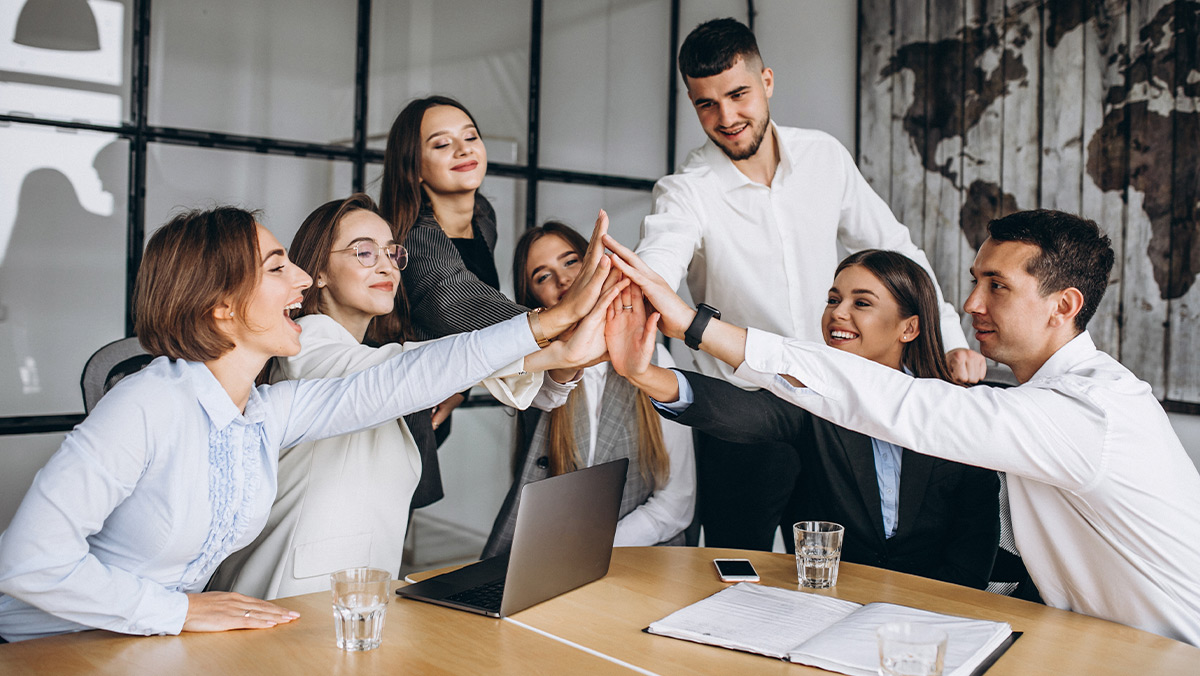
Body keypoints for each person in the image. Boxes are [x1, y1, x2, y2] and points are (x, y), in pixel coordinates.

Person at [0, 206, 621, 643]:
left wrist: (547, 337)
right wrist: (177, 611)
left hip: (148, 641)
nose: (300, 277)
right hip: (57, 647)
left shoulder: (264, 415)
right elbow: (28, 565)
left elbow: (392, 382)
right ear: (220, 306)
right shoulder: (143, 404)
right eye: (277, 268)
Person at [602, 210, 1200, 645]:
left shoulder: (1084, 411)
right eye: (975, 280)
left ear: (1063, 305)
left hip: (1166, 652)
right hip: (1107, 643)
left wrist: (693, 324)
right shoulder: (1044, 399)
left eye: (998, 286)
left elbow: (902, 405)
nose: (970, 304)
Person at [633, 18, 986, 551]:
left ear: (767, 81)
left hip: (830, 411)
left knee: (838, 571)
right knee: (736, 572)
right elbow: (657, 262)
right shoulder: (686, 192)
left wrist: (952, 341)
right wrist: (638, 289)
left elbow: (899, 250)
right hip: (742, 418)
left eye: (738, 94)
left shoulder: (825, 157)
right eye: (706, 104)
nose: (727, 118)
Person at [208, 196, 597, 600]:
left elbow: (540, 394)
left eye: (392, 253)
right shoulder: (308, 347)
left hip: (356, 602)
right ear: (318, 272)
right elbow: (408, 371)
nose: (385, 265)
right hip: (284, 598)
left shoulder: (376, 353)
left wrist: (566, 358)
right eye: (363, 252)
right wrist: (554, 330)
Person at [608, 249, 999, 588]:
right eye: (833, 299)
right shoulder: (815, 398)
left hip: (936, 612)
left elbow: (974, 544)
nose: (837, 314)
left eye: (861, 303)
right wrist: (644, 374)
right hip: (831, 601)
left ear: (909, 327)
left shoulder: (954, 410)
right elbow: (743, 412)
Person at [380, 95, 607, 508]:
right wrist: (564, 317)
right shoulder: (413, 238)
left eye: (470, 136)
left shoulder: (482, 217)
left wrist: (461, 387)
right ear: (413, 170)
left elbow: (458, 323)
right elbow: (462, 305)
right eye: (441, 143)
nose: (464, 149)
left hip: (433, 399)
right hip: (390, 409)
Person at [482, 222, 695, 557]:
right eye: (542, 276)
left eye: (570, 262)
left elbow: (676, 503)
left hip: (640, 555)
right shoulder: (537, 373)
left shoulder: (655, 360)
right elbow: (545, 391)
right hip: (552, 554)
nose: (563, 280)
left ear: (597, 263)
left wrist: (591, 548)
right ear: (532, 298)